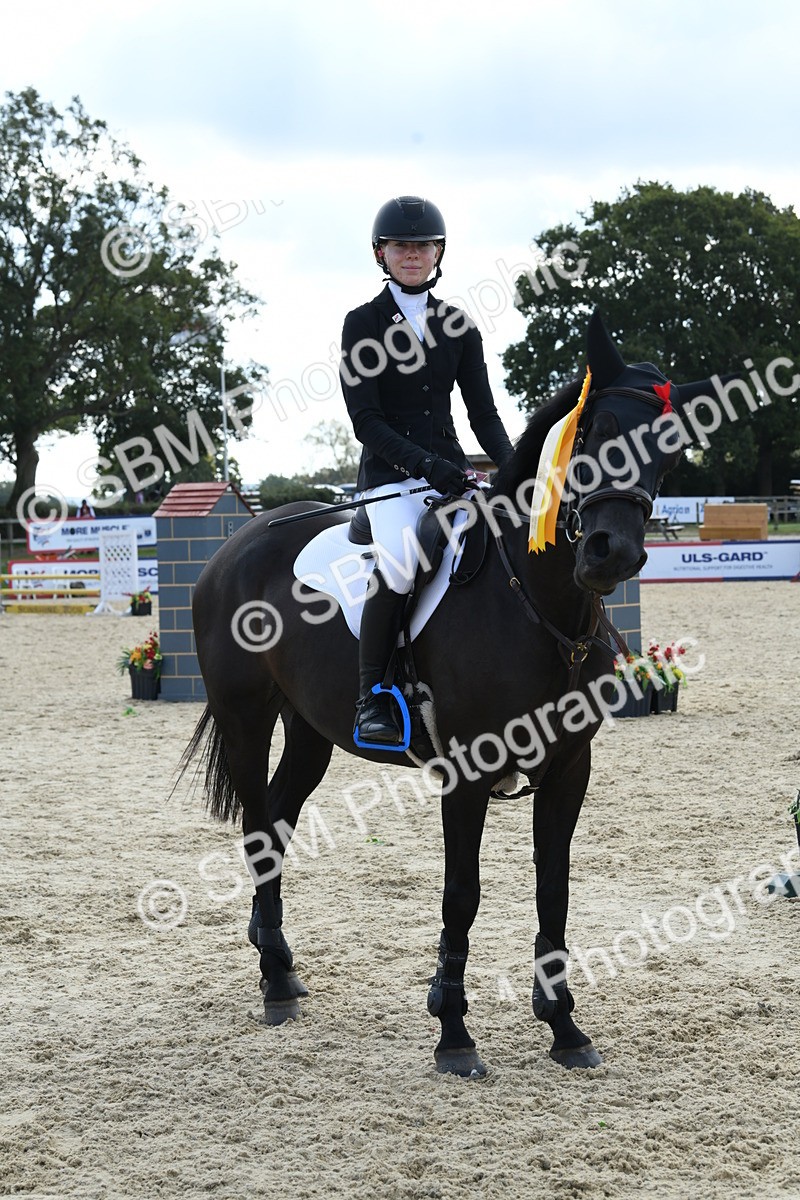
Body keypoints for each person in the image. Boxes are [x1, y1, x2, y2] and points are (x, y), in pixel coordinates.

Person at [340, 195, 514, 747]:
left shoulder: (458, 326)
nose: (411, 255)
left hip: (452, 474)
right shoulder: (362, 324)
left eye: (422, 246)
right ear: (381, 254)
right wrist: (429, 466)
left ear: (438, 253)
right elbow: (366, 420)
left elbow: (483, 414)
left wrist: (516, 470)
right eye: (401, 246)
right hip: (391, 482)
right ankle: (373, 697)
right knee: (401, 563)